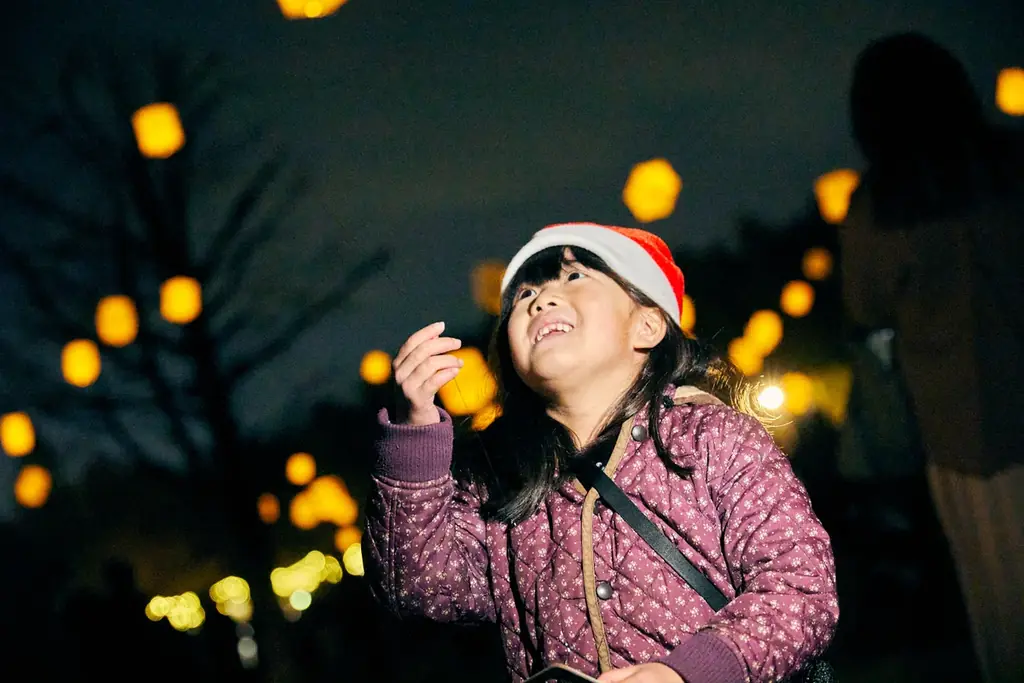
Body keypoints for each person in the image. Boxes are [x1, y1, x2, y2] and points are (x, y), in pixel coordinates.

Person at [365, 223, 838, 683]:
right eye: (524, 295)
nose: (540, 300)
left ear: (647, 325)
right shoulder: (503, 478)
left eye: (575, 276)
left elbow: (800, 587)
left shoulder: (713, 437)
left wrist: (686, 673)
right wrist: (414, 435)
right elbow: (419, 590)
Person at [840, 32, 1024, 683]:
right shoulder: (1009, 168)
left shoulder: (883, 205)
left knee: (999, 597)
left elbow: (865, 304)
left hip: (961, 432)